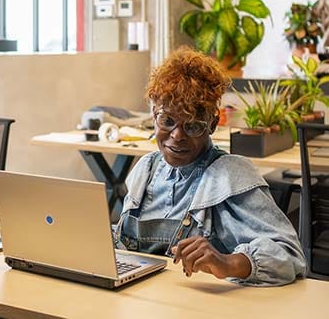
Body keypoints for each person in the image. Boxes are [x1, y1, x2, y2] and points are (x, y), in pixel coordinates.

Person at [114, 46, 307, 286]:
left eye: (193, 126)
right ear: (154, 115)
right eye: (167, 121)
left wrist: (227, 263)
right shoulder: (146, 169)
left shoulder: (229, 176)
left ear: (213, 124)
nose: (177, 135)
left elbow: (290, 256)